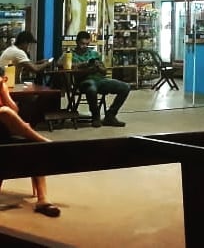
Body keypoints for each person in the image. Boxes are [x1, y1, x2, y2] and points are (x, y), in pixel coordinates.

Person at [0, 66, 61, 217]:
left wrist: (3, 90)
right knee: (4, 112)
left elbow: (14, 110)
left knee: (33, 147)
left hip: (5, 132)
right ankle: (45, 142)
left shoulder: (2, 87)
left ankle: (43, 200)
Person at [65, 31, 130, 128]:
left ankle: (110, 115)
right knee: (91, 88)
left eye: (87, 44)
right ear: (77, 42)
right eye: (82, 44)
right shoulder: (71, 55)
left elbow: (104, 72)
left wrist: (99, 67)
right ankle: (96, 116)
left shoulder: (94, 54)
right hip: (84, 81)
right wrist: (84, 66)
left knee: (125, 87)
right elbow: (63, 66)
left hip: (100, 80)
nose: (85, 46)